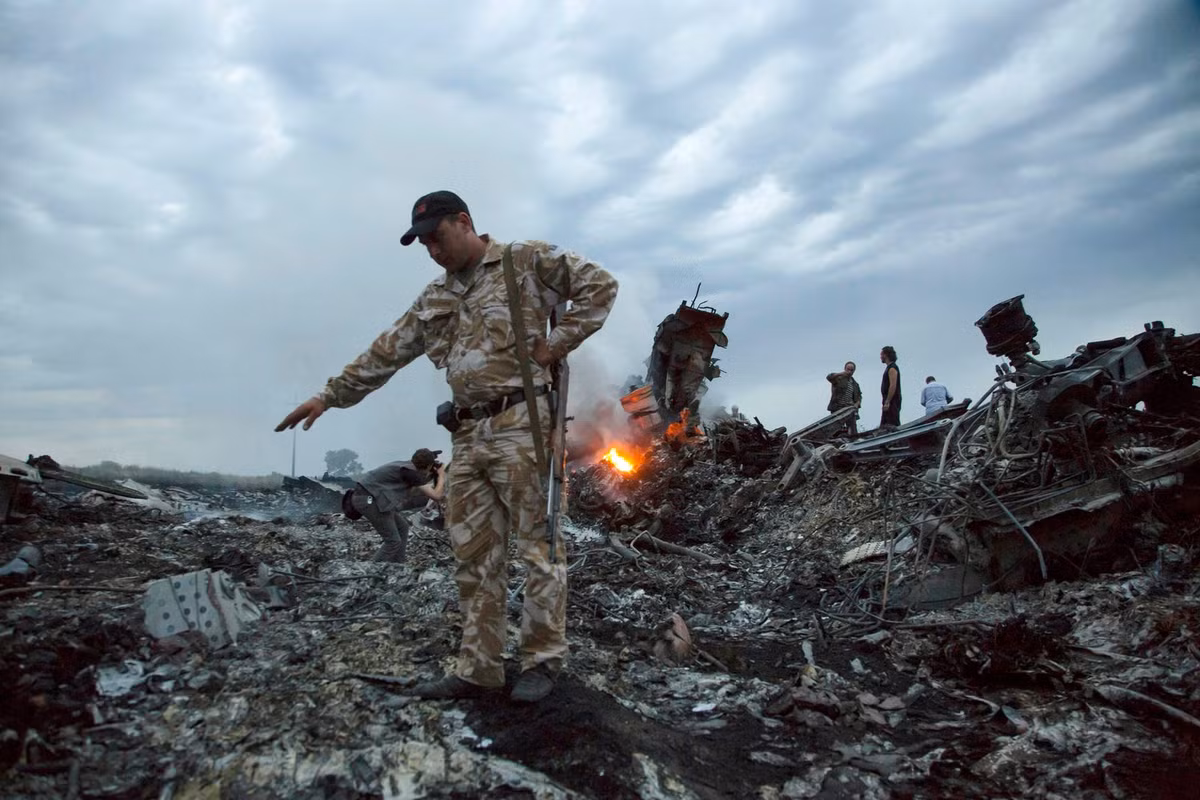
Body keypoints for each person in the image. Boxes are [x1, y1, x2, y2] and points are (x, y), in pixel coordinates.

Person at [276, 190, 618, 703]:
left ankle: (542, 660)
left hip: (524, 427)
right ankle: (479, 669)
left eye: (437, 238)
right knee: (475, 555)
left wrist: (558, 342)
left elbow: (600, 287)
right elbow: (387, 350)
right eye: (424, 244)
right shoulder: (435, 298)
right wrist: (329, 396)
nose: (432, 250)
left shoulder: (525, 261)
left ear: (465, 222)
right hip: (467, 436)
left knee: (540, 549)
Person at [341, 448, 446, 563]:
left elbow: (417, 485)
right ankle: (372, 572)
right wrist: (441, 475)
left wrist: (432, 467)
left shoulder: (406, 467)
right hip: (369, 501)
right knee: (392, 541)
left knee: (403, 527)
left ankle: (398, 565)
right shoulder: (411, 473)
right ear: (428, 465)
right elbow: (436, 496)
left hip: (373, 499)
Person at [826, 361, 862, 435]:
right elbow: (829, 377)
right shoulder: (838, 378)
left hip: (849, 409)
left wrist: (857, 404)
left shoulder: (855, 384)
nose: (849, 372)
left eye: (851, 370)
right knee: (836, 430)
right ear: (845, 369)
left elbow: (859, 396)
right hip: (838, 408)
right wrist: (841, 373)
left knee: (852, 430)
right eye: (848, 369)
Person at [880, 346, 902, 427]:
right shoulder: (888, 368)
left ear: (886, 355)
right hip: (887, 400)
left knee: (891, 423)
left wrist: (888, 401)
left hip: (892, 401)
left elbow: (893, 385)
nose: (880, 357)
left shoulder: (892, 368)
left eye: (881, 354)